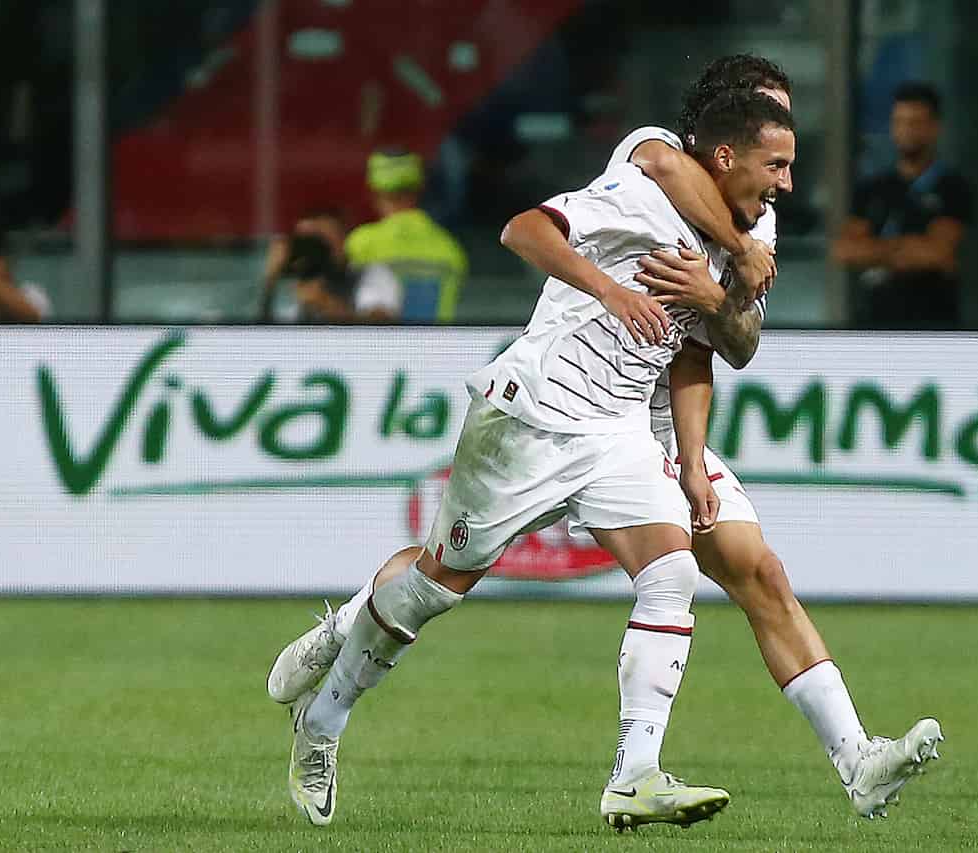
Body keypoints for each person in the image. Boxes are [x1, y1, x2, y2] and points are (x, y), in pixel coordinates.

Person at [268, 57, 943, 825]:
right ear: (725, 140)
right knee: (434, 585)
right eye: (775, 154)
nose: (788, 178)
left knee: (675, 571)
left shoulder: (757, 222)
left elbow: (707, 350)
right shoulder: (650, 176)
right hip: (535, 413)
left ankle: (638, 773)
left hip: (623, 426)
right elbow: (524, 229)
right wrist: (616, 290)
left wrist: (696, 440)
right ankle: (325, 707)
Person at [832, 81, 973, 329]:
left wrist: (874, 250)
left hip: (935, 324)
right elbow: (845, 250)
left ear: (934, 127)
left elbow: (937, 253)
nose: (906, 131)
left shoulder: (953, 188)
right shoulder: (872, 188)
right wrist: (906, 248)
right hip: (874, 322)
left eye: (915, 123)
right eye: (900, 122)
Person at [344, 148, 468, 323]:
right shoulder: (450, 248)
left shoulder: (360, 243)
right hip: (437, 340)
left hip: (380, 339)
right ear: (420, 188)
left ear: (373, 190)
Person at [259, 208, 403, 323]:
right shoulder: (290, 279)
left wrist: (326, 303)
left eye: (321, 241)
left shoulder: (371, 273)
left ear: (344, 238)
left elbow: (380, 328)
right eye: (307, 242)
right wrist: (270, 279)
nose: (315, 250)